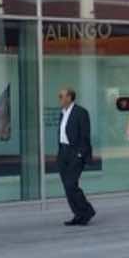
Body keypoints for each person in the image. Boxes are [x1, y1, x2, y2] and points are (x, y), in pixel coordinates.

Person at [57, 87, 96, 227]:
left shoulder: (81, 112)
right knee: (67, 187)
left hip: (75, 153)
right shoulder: (62, 113)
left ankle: (87, 211)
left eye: (61, 96)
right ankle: (78, 214)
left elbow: (85, 135)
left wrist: (80, 154)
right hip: (63, 153)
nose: (59, 99)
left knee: (70, 184)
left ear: (69, 97)